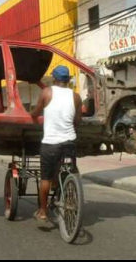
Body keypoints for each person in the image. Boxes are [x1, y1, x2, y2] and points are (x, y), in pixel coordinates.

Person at [30, 65, 82, 222]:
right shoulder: (76, 97)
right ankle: (69, 194)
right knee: (69, 170)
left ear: (54, 79)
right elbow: (77, 121)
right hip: (69, 142)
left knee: (45, 177)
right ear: (67, 80)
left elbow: (36, 113)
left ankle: (43, 211)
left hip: (51, 143)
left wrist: (32, 116)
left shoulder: (47, 92)